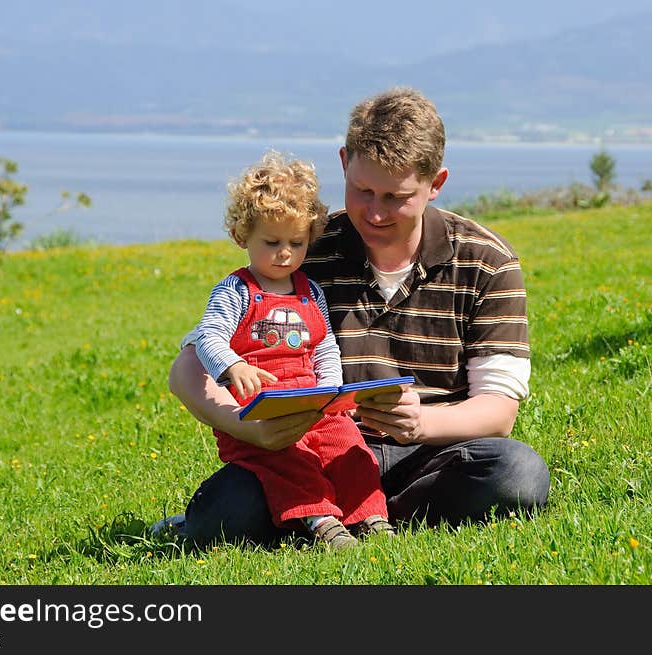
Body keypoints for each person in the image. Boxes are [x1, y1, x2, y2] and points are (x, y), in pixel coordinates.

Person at [153, 86, 550, 548]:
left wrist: (422, 423)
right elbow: (186, 370)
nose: (375, 213)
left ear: (435, 184)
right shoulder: (299, 247)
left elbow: (498, 413)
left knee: (519, 473)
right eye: (362, 190)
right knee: (225, 514)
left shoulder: (486, 261)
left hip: (429, 452)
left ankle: (334, 516)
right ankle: (338, 513)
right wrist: (250, 430)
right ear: (344, 162)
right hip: (308, 450)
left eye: (395, 196)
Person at [171, 149, 396, 550]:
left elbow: (323, 342)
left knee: (351, 448)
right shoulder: (237, 290)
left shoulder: (310, 292)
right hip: (261, 410)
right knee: (290, 464)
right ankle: (320, 522)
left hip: (313, 402)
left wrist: (331, 388)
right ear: (243, 236)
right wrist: (232, 367)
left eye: (297, 242)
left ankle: (370, 516)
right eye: (271, 242)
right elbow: (208, 336)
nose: (285, 253)